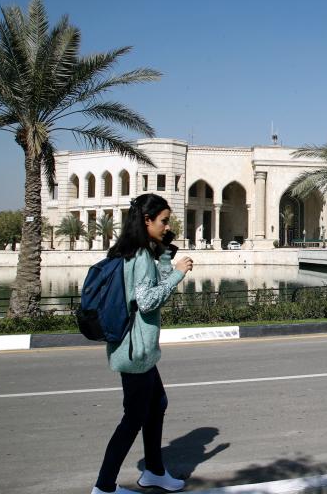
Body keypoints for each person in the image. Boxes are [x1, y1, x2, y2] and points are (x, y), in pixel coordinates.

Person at [91, 193, 193, 494]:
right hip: (136, 350)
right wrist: (178, 273)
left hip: (139, 349)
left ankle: (154, 471)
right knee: (133, 418)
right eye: (163, 221)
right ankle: (104, 486)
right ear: (147, 220)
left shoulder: (137, 252)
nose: (167, 226)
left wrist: (164, 255)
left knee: (157, 404)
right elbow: (148, 301)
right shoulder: (138, 258)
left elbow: (149, 287)